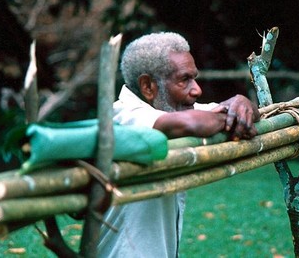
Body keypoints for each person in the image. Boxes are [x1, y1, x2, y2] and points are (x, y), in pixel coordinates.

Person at [98, 32, 259, 257]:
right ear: (147, 86)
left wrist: (241, 103)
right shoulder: (122, 115)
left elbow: (220, 114)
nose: (197, 90)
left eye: (194, 78)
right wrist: (229, 115)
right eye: (184, 80)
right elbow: (193, 124)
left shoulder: (170, 109)